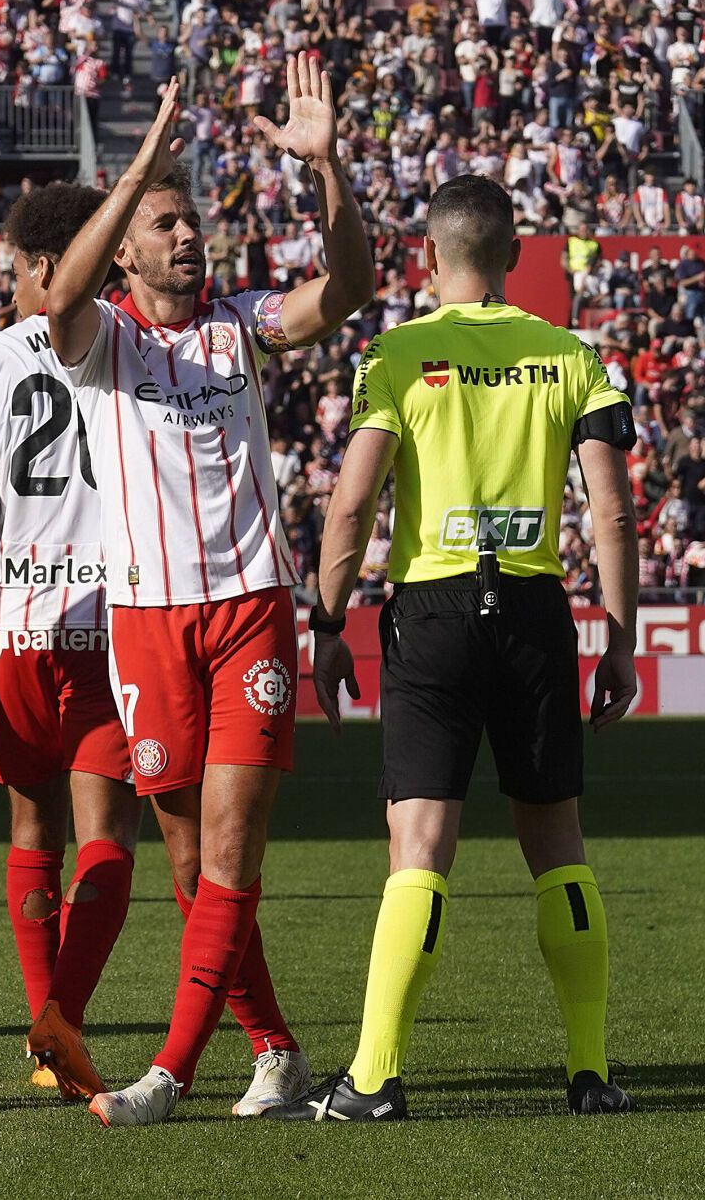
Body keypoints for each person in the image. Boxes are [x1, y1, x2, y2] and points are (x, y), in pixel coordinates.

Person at [36, 60, 374, 1126]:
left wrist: (326, 169)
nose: (188, 236)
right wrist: (133, 172)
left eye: (191, 222)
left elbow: (348, 288)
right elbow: (57, 300)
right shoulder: (107, 342)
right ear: (126, 246)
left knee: (226, 853)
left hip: (245, 611)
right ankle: (273, 1049)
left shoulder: (240, 323)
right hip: (143, 625)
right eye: (163, 224)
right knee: (188, 861)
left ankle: (168, 1074)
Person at [271, 174, 640, 1123]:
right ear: (514, 255)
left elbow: (352, 503)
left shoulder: (397, 353)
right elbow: (612, 510)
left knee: (419, 847)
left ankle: (375, 1078)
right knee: (556, 842)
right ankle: (591, 1072)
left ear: (428, 257)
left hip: (432, 608)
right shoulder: (571, 356)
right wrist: (623, 640)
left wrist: (326, 620)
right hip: (534, 608)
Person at [0, 182, 140, 1099]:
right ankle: (64, 1020)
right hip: (115, 619)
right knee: (108, 836)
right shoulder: (135, 341)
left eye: (13, 268)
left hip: (18, 622)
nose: (7, 284)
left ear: (47, 266)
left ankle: (46, 1026)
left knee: (31, 830)